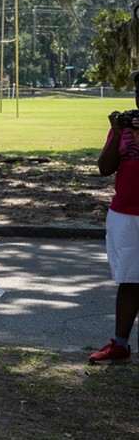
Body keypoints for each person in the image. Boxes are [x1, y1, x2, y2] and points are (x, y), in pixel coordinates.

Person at [89, 84, 139, 363]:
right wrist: (118, 134)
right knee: (130, 279)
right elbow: (105, 168)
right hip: (125, 213)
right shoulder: (125, 126)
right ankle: (120, 344)